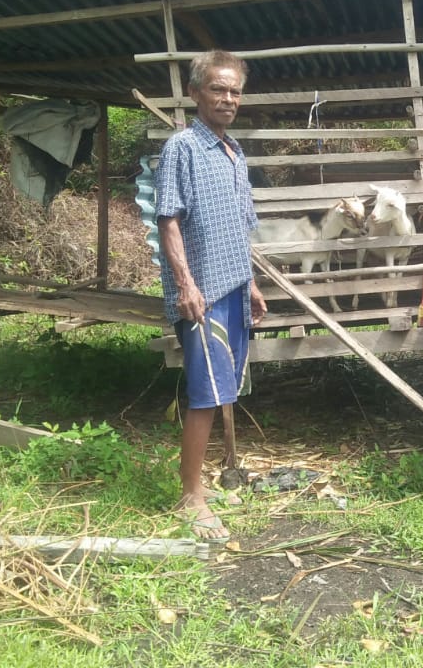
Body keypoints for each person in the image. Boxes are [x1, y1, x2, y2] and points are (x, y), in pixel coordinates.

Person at [156, 50, 267, 541]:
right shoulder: (182, 147)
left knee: (224, 388)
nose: (228, 99)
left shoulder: (233, 152)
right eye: (219, 89)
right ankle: (190, 496)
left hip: (234, 285)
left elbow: (240, 227)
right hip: (201, 291)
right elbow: (168, 220)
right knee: (204, 395)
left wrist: (254, 282)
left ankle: (198, 484)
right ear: (197, 92)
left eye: (235, 91)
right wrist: (185, 284)